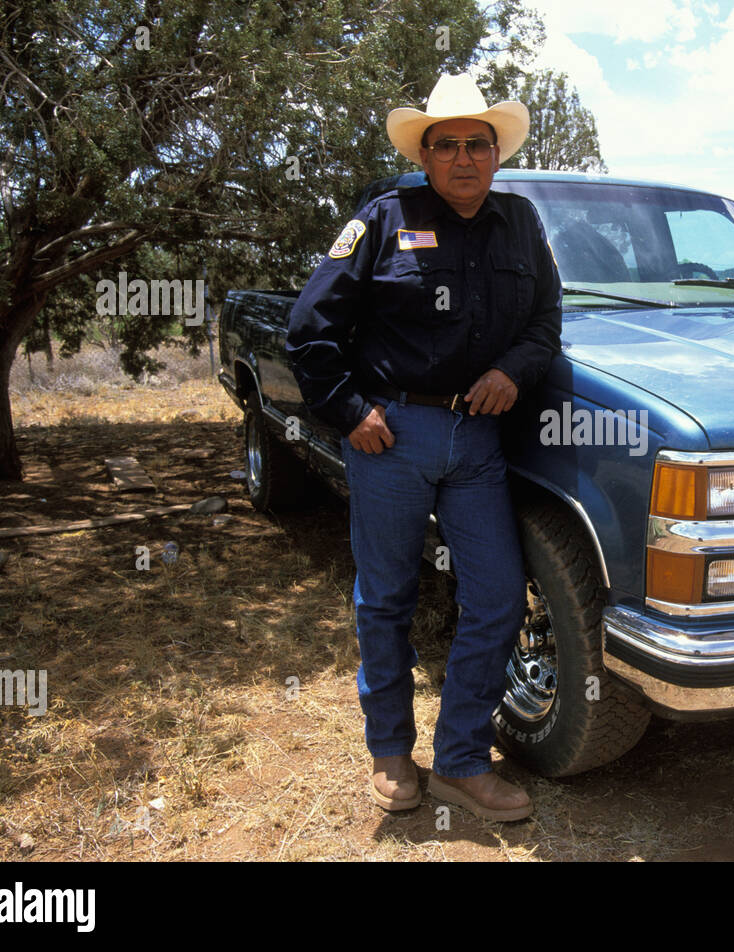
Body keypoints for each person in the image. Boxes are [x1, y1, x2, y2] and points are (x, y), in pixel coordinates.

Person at [285, 73, 561, 822]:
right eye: (448, 145)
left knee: (499, 597)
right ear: (427, 153)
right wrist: (348, 411)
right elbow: (310, 329)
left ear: (497, 153)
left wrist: (513, 370)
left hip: (477, 438)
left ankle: (463, 762)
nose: (464, 157)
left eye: (479, 143)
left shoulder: (521, 224)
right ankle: (389, 753)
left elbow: (545, 324)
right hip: (392, 437)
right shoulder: (384, 218)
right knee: (386, 600)